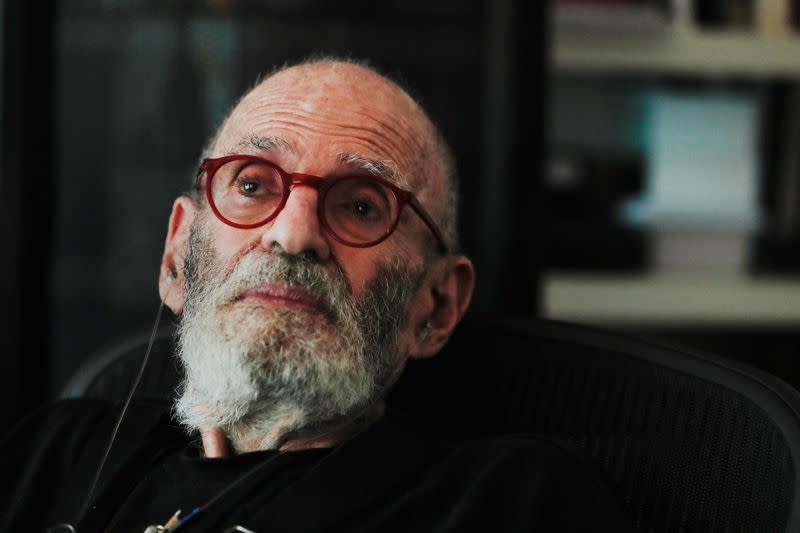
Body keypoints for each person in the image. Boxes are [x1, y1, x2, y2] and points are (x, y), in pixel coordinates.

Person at [1, 57, 635, 532]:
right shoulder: (51, 456)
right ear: (175, 258)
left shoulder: (507, 503)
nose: (293, 233)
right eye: (252, 185)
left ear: (437, 307)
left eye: (361, 205)